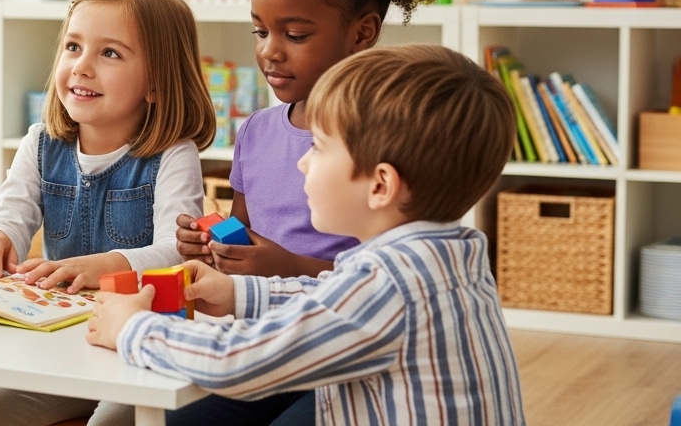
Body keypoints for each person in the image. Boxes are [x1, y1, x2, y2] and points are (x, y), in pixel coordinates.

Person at [88, 44, 526, 425]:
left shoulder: (389, 283)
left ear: (380, 186)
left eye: (319, 147)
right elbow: (328, 297)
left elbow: (238, 360)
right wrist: (236, 293)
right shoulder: (447, 255)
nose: (303, 162)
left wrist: (132, 328)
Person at [168, 0, 470, 425]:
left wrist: (286, 266)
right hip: (266, 334)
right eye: (260, 31)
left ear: (362, 32)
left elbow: (392, 280)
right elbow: (243, 234)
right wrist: (212, 244)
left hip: (351, 355)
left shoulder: (387, 142)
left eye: (295, 34)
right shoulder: (257, 131)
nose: (269, 51)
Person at [0, 0, 215, 426]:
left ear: (156, 83)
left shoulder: (174, 154)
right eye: (73, 47)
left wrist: (107, 266)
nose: (81, 67)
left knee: (110, 423)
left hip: (143, 344)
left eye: (109, 53)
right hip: (66, 341)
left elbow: (177, 254)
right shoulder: (40, 143)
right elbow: (12, 212)